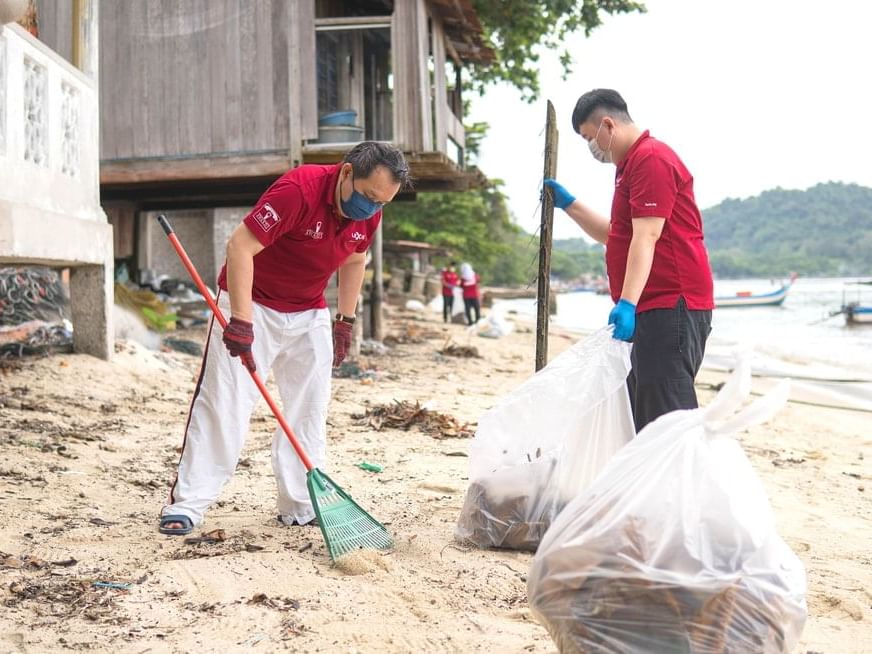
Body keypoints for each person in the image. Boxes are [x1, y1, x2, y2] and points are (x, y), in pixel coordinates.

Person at [159, 141, 410, 535]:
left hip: (309, 311)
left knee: (310, 408)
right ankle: (189, 503)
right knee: (226, 401)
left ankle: (299, 504)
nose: (372, 209)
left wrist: (345, 320)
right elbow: (240, 245)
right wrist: (241, 320)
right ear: (346, 173)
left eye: (382, 203)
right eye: (368, 197)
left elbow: (355, 258)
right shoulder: (300, 191)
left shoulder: (369, 214)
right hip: (252, 302)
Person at [544, 89, 713, 432]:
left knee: (668, 418)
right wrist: (569, 204)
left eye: (590, 138)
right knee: (645, 409)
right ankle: (654, 485)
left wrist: (627, 302)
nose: (592, 147)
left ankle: (684, 485)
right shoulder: (628, 167)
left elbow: (646, 235)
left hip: (672, 303)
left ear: (608, 124)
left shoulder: (651, 159)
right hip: (651, 306)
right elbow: (616, 236)